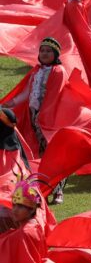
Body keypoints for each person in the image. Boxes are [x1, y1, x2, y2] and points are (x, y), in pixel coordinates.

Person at [2, 38, 67, 203]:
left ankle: (58, 191)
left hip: (51, 121)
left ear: (56, 54)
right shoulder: (36, 71)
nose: (44, 54)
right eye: (42, 51)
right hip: (35, 118)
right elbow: (26, 93)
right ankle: (44, 188)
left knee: (53, 155)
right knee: (41, 155)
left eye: (48, 51)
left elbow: (54, 97)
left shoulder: (59, 71)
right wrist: (10, 103)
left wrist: (43, 116)